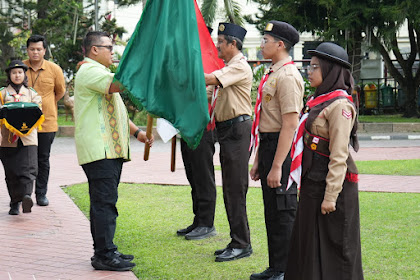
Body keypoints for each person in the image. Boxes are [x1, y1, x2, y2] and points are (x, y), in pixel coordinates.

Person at [74, 31, 154, 271]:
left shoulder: (98, 73)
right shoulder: (90, 71)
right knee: (104, 202)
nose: (113, 52)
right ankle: (104, 255)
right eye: (109, 47)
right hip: (100, 151)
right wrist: (141, 63)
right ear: (94, 49)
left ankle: (105, 250)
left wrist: (137, 132)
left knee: (104, 201)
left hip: (108, 150)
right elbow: (117, 85)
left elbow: (115, 107)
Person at [285, 42, 364, 280]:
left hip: (332, 187)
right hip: (313, 181)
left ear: (330, 71)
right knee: (308, 241)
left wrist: (330, 197)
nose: (309, 71)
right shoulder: (318, 100)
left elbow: (339, 155)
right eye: (309, 66)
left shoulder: (340, 106)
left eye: (315, 67)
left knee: (335, 247)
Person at [249, 21, 304, 280]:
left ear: (280, 44)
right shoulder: (273, 72)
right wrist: (261, 159)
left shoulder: (288, 76)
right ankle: (276, 266)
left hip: (282, 151)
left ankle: (286, 270)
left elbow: (290, 123)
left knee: (284, 210)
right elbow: (265, 121)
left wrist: (276, 166)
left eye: (265, 40)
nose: (262, 45)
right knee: (272, 210)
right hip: (269, 145)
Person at [204, 22, 253, 262]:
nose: (218, 46)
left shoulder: (239, 66)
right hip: (228, 131)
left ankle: (242, 243)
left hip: (237, 130)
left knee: (235, 188)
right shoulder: (230, 67)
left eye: (221, 42)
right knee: (231, 188)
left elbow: (210, 79)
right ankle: (237, 240)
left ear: (234, 44)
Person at [177, 26, 218, 241]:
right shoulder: (187, 61)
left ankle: (206, 222)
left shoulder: (208, 60)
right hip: (187, 126)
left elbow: (210, 92)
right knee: (192, 174)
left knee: (203, 176)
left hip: (203, 127)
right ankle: (198, 218)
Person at [24, 34, 66, 207]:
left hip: (47, 122)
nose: (35, 52)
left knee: (43, 159)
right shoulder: (20, 67)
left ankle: (41, 194)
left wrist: (48, 104)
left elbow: (60, 92)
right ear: (27, 50)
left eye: (39, 49)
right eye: (32, 49)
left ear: (44, 50)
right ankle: (24, 194)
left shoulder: (54, 69)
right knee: (25, 160)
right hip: (23, 123)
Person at [0, 60, 43, 215]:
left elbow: (39, 111)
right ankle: (14, 202)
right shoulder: (3, 94)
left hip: (28, 138)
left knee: (29, 168)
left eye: (20, 72)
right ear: (9, 75)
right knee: (11, 172)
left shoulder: (32, 94)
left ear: (24, 74)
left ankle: (26, 197)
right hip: (8, 140)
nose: (17, 75)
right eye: (13, 72)